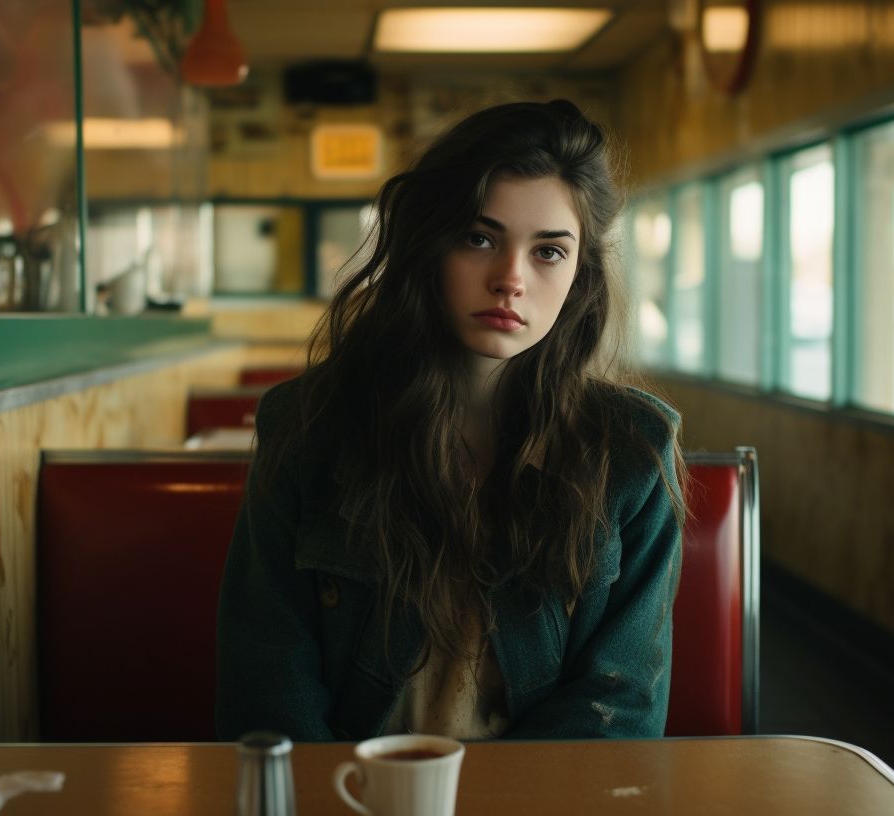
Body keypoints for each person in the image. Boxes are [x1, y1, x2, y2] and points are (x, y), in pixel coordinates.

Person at [215, 99, 685, 742]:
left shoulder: (632, 452)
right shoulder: (309, 425)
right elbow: (268, 677)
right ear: (427, 247)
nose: (510, 279)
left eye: (549, 251)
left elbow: (621, 704)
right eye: (479, 238)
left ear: (581, 274)